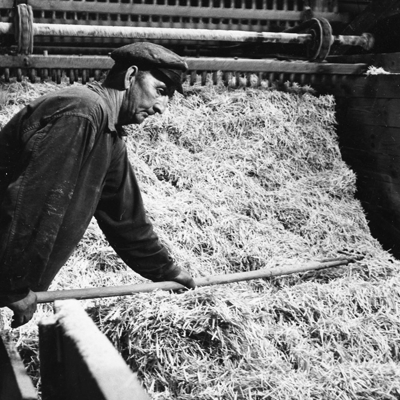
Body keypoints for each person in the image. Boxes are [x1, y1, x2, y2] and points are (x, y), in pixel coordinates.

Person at [0, 42, 196, 328]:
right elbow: (34, 201)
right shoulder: (81, 112)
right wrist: (13, 284)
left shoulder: (109, 133)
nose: (161, 109)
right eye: (161, 91)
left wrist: (167, 270)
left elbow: (125, 218)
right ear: (130, 76)